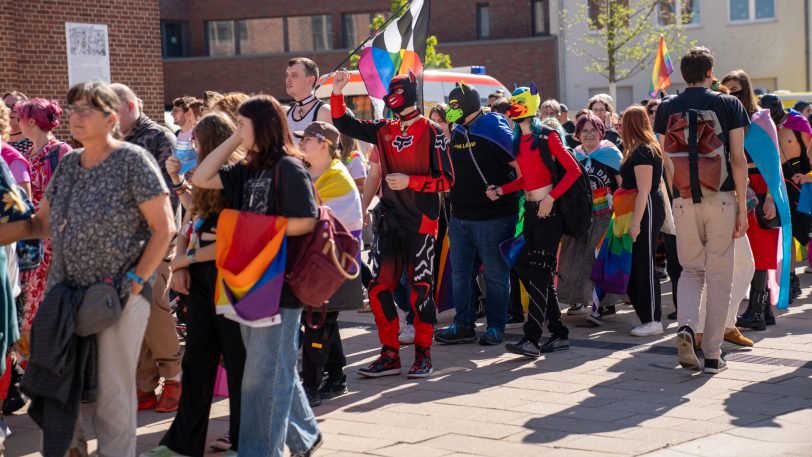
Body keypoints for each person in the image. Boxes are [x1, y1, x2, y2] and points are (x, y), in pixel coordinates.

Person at [0, 81, 175, 456]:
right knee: (55, 384)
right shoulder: (67, 165)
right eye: (72, 108)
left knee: (113, 398)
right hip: (64, 295)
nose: (75, 117)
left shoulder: (132, 160)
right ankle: (72, 449)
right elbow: (38, 223)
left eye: (85, 110)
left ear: (111, 117)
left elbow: (165, 228)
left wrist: (133, 282)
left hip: (117, 296)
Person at [191, 95, 321, 456]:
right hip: (245, 281)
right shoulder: (245, 169)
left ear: (263, 126)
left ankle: (259, 451)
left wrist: (254, 228)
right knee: (275, 370)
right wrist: (235, 138)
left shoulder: (289, 167)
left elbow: (306, 221)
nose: (239, 131)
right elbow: (202, 177)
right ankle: (306, 437)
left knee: (260, 379)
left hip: (279, 286)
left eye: (244, 125)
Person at [331, 69, 454, 378]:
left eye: (395, 94)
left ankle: (423, 354)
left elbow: (447, 179)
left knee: (420, 291)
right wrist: (336, 92)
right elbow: (345, 124)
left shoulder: (433, 131)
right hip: (390, 222)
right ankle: (389, 354)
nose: (390, 100)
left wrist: (410, 181)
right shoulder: (385, 129)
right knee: (378, 288)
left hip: (422, 224)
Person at [143, 113, 245, 457]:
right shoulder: (203, 178)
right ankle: (181, 443)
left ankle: (243, 439)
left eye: (197, 141)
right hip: (202, 278)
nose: (191, 147)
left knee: (238, 361)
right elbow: (193, 217)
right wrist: (182, 258)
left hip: (231, 278)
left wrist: (184, 260)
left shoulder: (235, 176)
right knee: (197, 362)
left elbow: (236, 236)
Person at [653, 46, 750, 374]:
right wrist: (742, 206)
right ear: (711, 72)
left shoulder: (667, 107)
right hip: (720, 197)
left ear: (683, 75)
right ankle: (711, 354)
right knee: (720, 275)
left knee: (691, 270)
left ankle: (686, 326)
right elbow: (737, 158)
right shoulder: (728, 103)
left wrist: (675, 197)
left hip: (683, 199)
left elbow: (666, 159)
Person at [487, 83, 581, 357]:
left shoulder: (548, 137)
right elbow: (527, 178)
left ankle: (532, 338)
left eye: (515, 104)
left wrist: (551, 198)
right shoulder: (519, 140)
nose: (510, 110)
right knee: (527, 268)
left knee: (539, 273)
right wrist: (501, 190)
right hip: (530, 212)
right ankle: (559, 332)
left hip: (549, 214)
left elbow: (573, 170)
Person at [111, 83, 184, 413]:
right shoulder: (116, 142)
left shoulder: (159, 136)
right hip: (124, 241)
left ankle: (174, 378)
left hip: (155, 237)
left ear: (130, 105)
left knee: (154, 307)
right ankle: (143, 385)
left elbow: (170, 192)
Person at [433, 82, 518, 346]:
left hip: (494, 218)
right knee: (460, 274)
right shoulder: (456, 131)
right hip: (459, 218)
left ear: (468, 106)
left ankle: (495, 327)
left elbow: (520, 166)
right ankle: (463, 325)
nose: (451, 111)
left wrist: (503, 190)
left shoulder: (494, 126)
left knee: (495, 274)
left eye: (455, 107)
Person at [296, 121, 362, 407]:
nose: (301, 142)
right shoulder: (305, 172)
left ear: (324, 144)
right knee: (323, 322)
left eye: (307, 139)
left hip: (334, 264)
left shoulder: (337, 178)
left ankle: (310, 386)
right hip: (312, 262)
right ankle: (337, 377)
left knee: (317, 323)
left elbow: (321, 224)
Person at [14, 98, 72, 353]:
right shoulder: (26, 155)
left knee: (48, 299)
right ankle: (31, 361)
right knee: (29, 299)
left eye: (19, 118)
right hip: (31, 237)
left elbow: (70, 196)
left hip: (55, 236)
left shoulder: (60, 151)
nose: (16, 123)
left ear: (30, 121)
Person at [557, 113, 622, 322]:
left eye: (593, 130)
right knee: (574, 258)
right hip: (579, 216)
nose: (589, 134)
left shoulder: (611, 154)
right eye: (584, 131)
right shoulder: (573, 155)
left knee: (598, 260)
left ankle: (599, 306)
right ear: (577, 135)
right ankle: (577, 300)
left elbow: (623, 184)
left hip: (604, 215)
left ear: (601, 132)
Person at [618, 106, 666, 335]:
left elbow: (644, 190)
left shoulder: (644, 151)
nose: (618, 126)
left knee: (644, 263)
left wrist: (636, 224)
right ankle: (645, 313)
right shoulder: (635, 150)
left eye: (622, 122)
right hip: (638, 209)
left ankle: (653, 319)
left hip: (644, 210)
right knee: (636, 263)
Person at [760, 93, 811, 302]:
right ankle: (790, 281)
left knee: (807, 230)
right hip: (779, 182)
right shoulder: (762, 125)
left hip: (803, 182)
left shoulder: (797, 123)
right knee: (785, 231)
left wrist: (808, 178)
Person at [285, 57, 332, 145]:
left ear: (310, 80)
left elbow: (328, 152)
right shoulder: (286, 113)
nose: (288, 79)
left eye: (294, 75)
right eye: (287, 75)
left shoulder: (324, 112)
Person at [0, 103, 30, 197]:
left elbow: (23, 206)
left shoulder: (14, 159)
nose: (11, 111)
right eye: (8, 106)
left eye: (16, 107)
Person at [2, 91, 32, 156]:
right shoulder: (0, 141)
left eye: (15, 107)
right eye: (6, 107)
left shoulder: (36, 142)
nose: (10, 111)